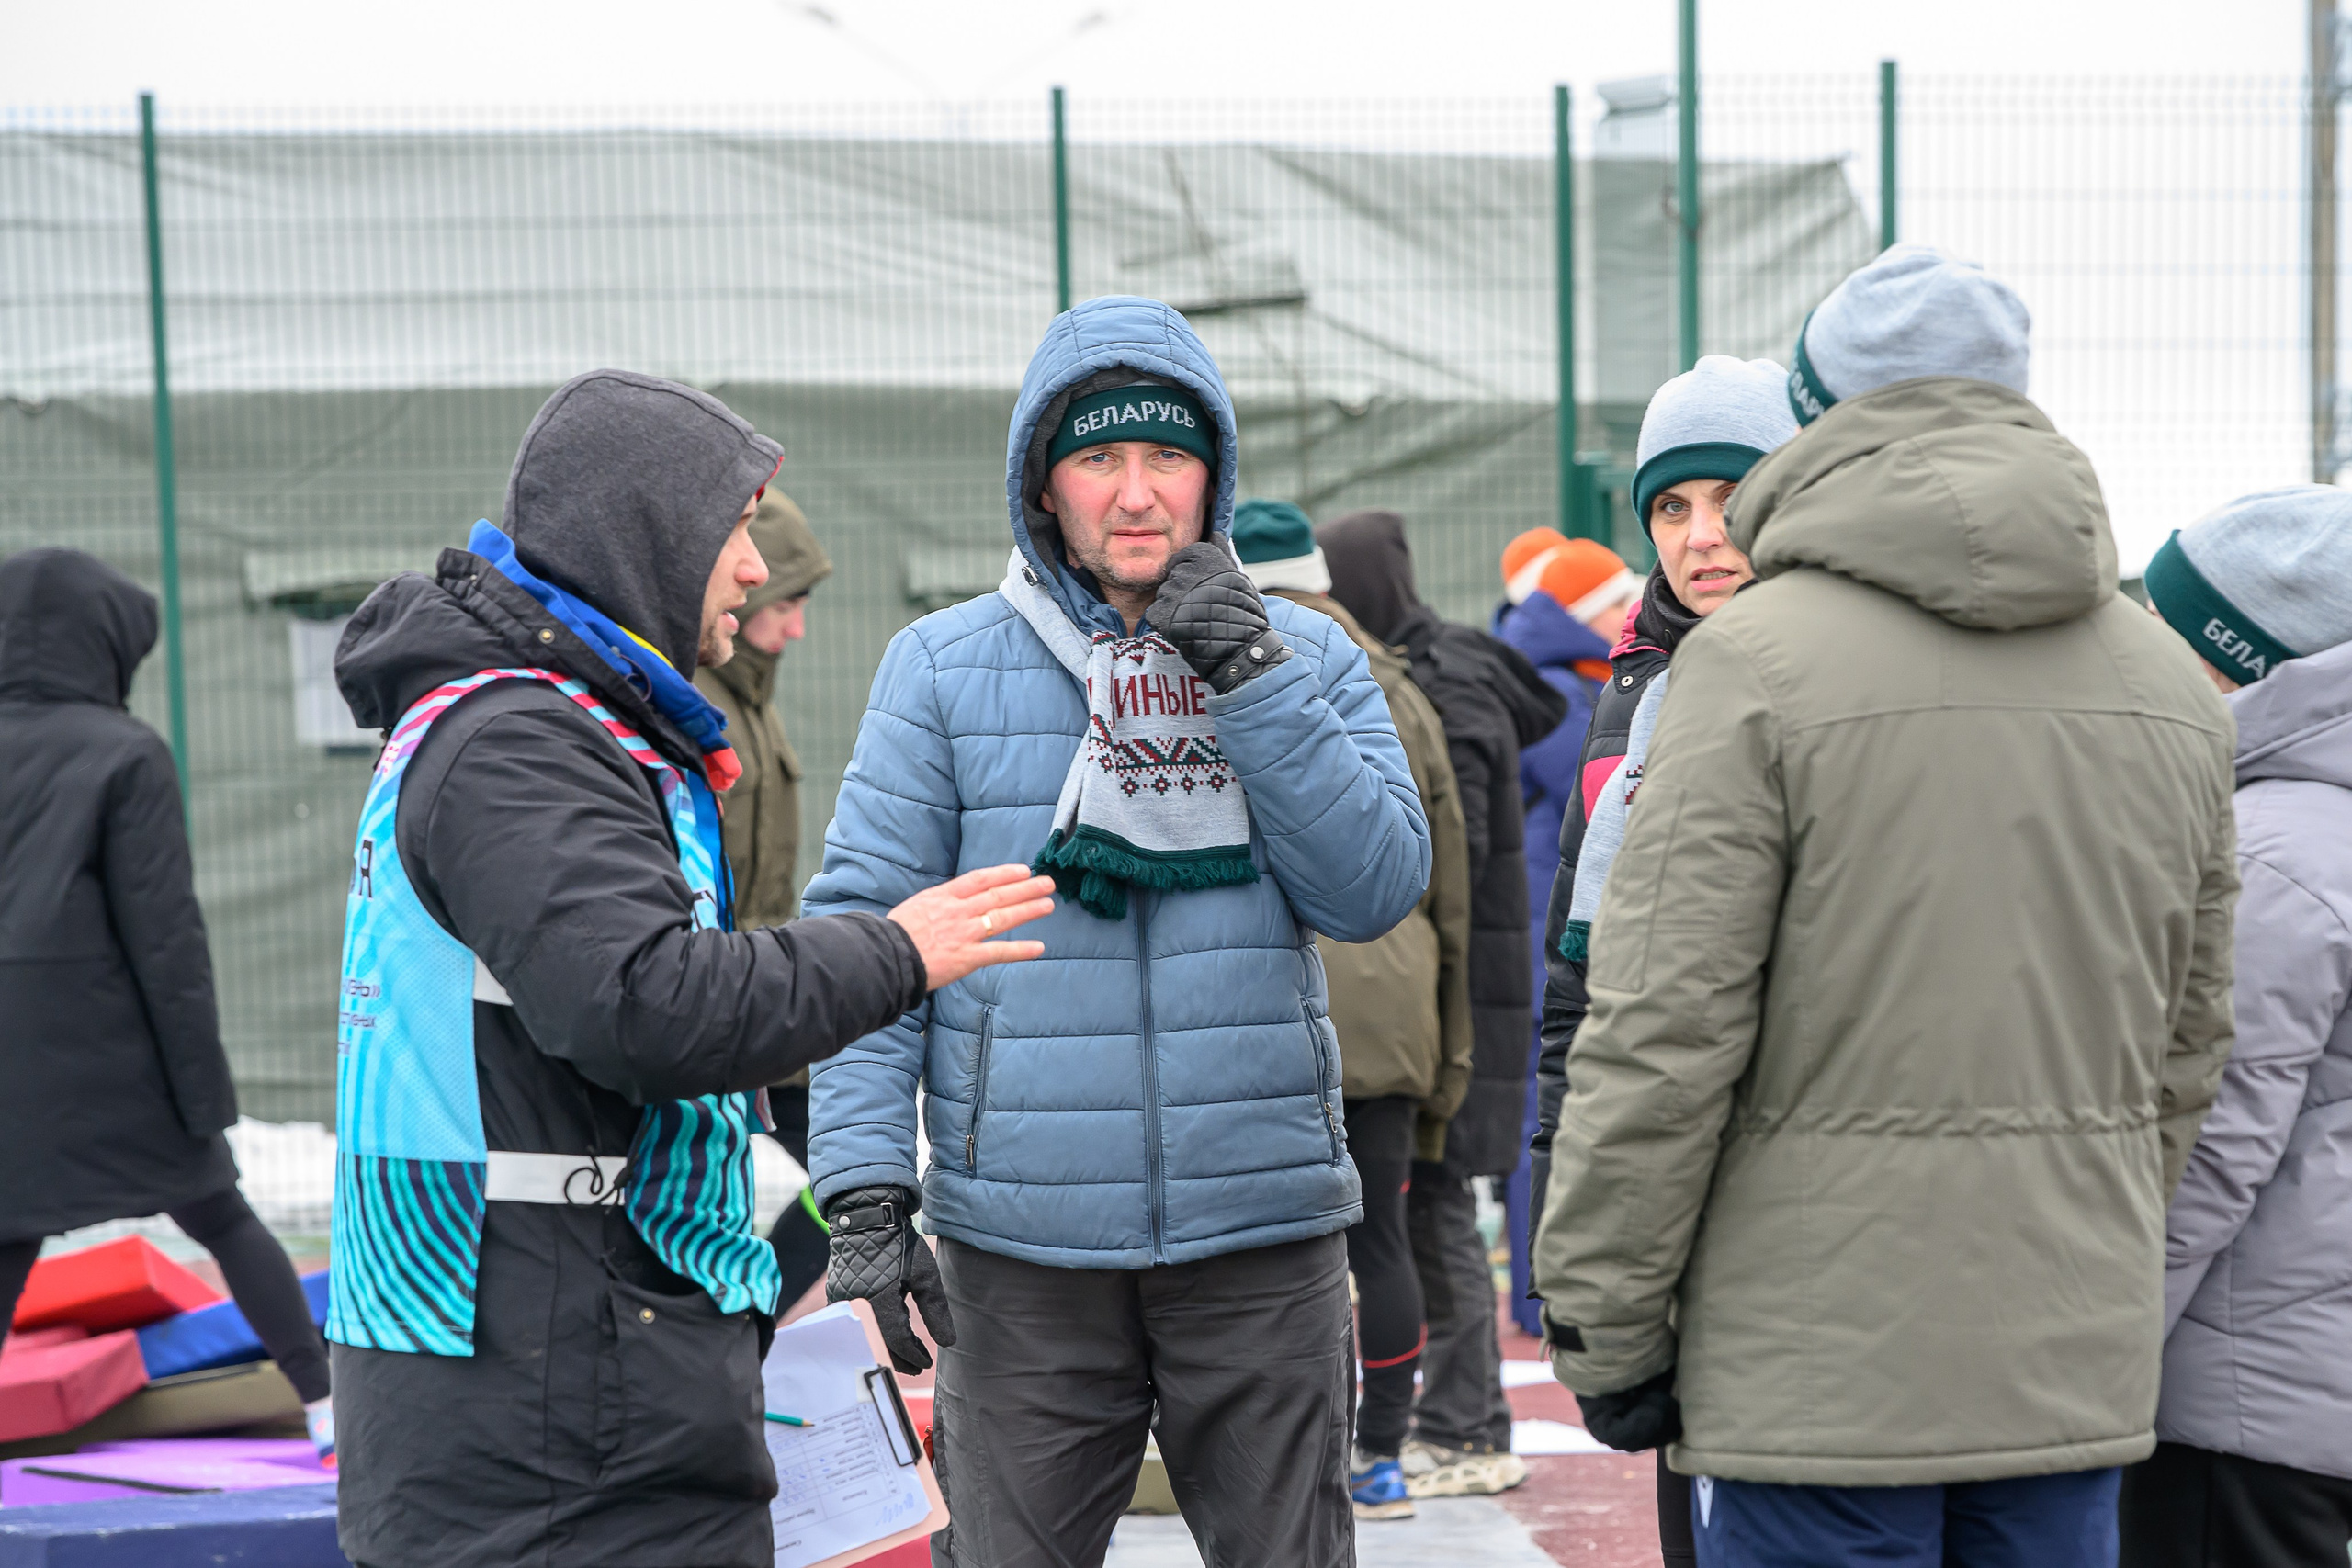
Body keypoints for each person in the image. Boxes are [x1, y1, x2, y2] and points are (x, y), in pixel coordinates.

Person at [1533, 244, 2239, 1568]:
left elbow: (1661, 1031)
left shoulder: (1747, 667)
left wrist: (1609, 1321)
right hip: (2063, 1361)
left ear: (1817, 415)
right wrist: (2085, 1231)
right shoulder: (2162, 680)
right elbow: (2190, 1040)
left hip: (1811, 1373)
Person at [324, 369, 1053, 1568]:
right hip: (545, 1400)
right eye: (735, 528)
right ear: (644, 532)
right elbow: (644, 1003)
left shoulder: (563, 727)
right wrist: (898, 948)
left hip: (572, 1356)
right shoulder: (520, 743)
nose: (757, 567)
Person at [803, 297, 1430, 1568]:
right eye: (1098, 457)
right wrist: (866, 1180)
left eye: (1167, 457)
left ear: (1216, 477)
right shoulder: (940, 666)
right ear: (1045, 485)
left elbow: (1371, 885)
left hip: (1262, 1233)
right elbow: (870, 930)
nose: (1136, 495)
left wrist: (1247, 673)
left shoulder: (1303, 651)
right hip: (1024, 1250)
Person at [1522, 355, 1794, 1565]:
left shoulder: (1834, 682)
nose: (1701, 535)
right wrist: (1560, 1236)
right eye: (1672, 508)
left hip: (1804, 1215)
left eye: (1731, 499)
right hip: (1668, 1211)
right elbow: (1571, 1000)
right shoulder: (1628, 695)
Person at [0, 547, 335, 1457]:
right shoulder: (122, 753)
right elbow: (165, 943)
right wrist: (202, 1094)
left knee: (7, 1240)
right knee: (219, 1212)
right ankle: (327, 1403)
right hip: (110, 1053)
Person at [1233, 497, 1476, 1523]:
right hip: (1393, 1006)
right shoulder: (1395, 684)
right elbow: (1450, 873)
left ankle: (1271, 1463)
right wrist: (1449, 1041)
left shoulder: (1204, 667)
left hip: (1269, 999)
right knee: (1383, 1235)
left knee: (1261, 1252)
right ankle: (1381, 1455)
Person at [2122, 486, 2352, 1567]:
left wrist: (2093, 1361)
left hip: (2238, 1397)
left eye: (2163, 625)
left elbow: (2207, 1145)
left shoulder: (2269, 853)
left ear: (2238, 655)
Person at [1318, 507, 1566, 1500]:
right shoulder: (1450, 668)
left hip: (1448, 983)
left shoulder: (1431, 687)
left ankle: (1463, 1428)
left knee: (1434, 1213)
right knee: (1427, 1213)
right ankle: (1455, 1421)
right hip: (1462, 975)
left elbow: (1432, 858)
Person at [690, 487, 835, 1308]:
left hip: (766, 1013)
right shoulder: (701, 704)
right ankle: (744, 1341)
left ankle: (756, 1334)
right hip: (724, 1014)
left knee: (854, 1186)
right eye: (789, 601)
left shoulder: (751, 702)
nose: (797, 625)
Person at [1491, 534, 1636, 1337]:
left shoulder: (1568, 679)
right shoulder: (1556, 690)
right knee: (1542, 1111)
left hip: (1548, 913)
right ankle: (1543, 1292)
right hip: (1542, 921)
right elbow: (1597, 789)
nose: (1630, 613)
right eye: (1617, 602)